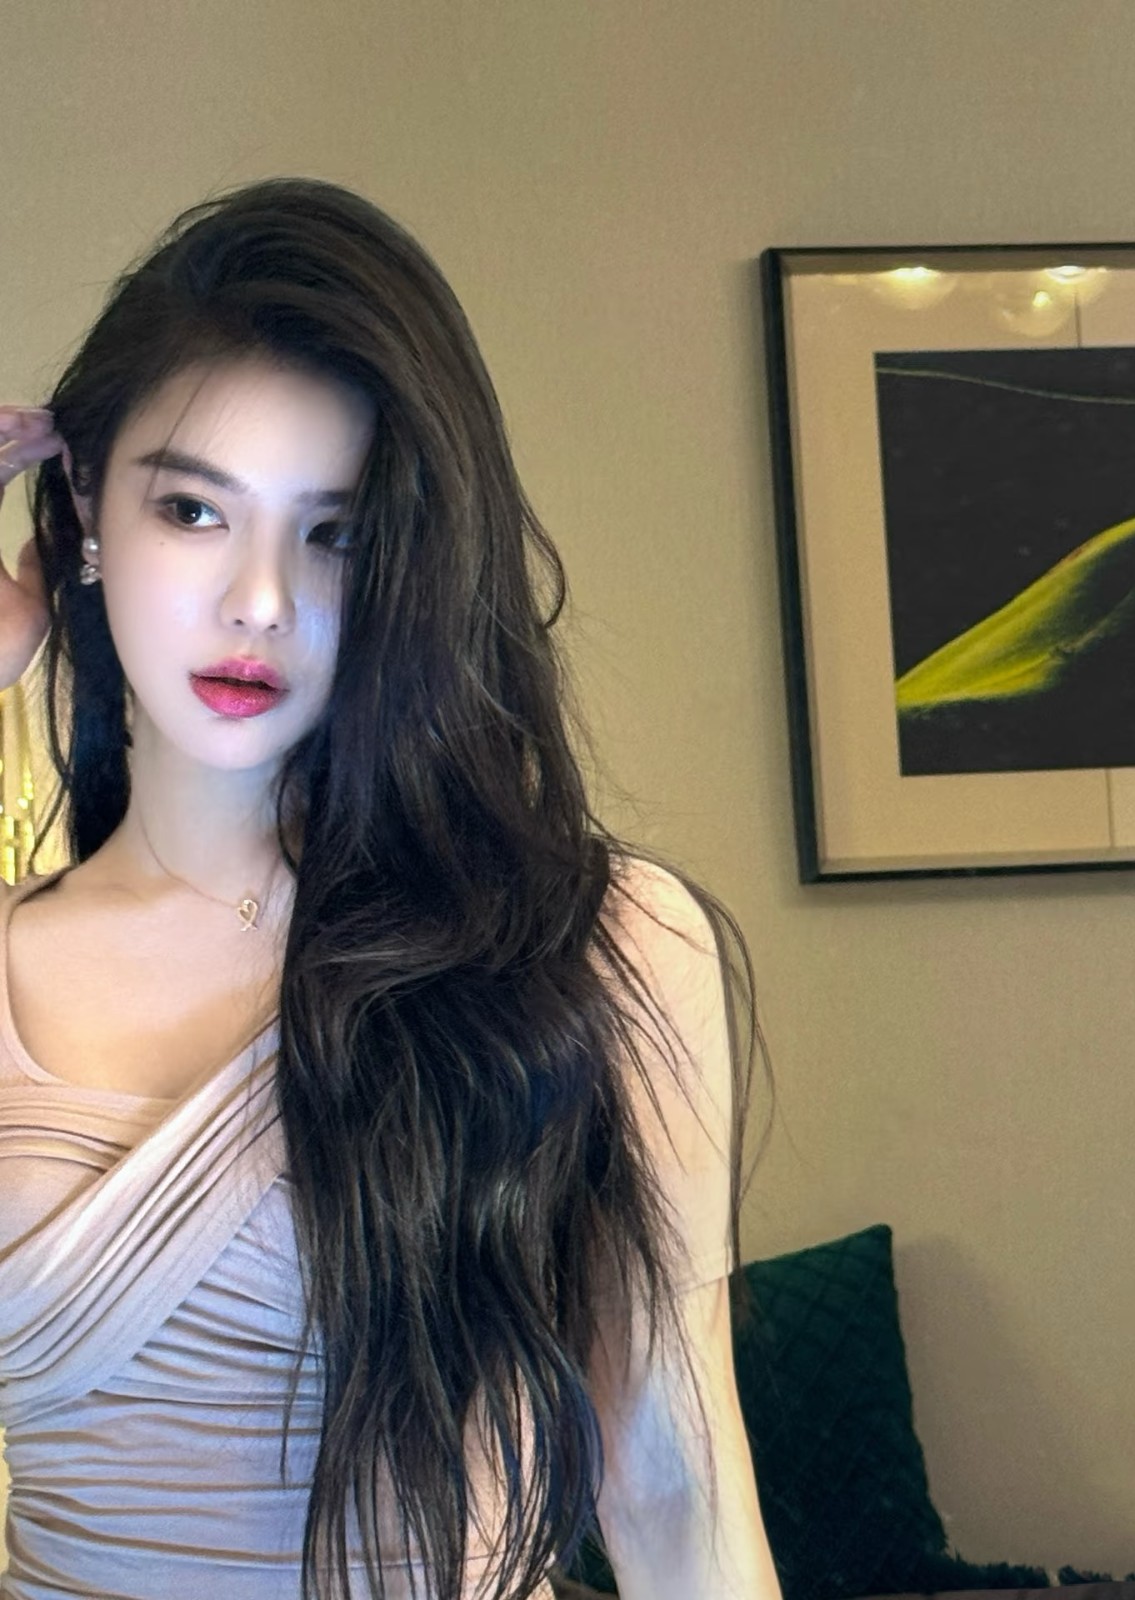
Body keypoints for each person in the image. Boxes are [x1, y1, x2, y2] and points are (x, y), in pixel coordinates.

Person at [0, 177, 780, 1600]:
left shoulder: (592, 942)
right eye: (192, 508)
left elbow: (676, 1487)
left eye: (335, 532)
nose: (260, 600)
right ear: (85, 509)